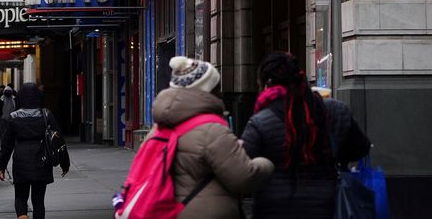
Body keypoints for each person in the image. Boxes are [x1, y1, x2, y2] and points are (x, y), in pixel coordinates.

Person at [241, 53, 371, 219]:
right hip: (326, 206)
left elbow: (243, 170)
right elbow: (360, 148)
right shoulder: (334, 111)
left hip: (274, 209)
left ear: (267, 84)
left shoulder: (260, 122)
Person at [150, 56, 274, 219]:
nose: (220, 91)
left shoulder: (159, 129)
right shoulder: (211, 131)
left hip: (170, 211)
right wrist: (265, 163)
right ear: (207, 89)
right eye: (217, 85)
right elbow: (243, 177)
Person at [0, 83, 70, 219]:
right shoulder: (46, 114)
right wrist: (64, 163)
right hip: (42, 159)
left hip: (21, 159)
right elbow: (58, 140)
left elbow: (6, 145)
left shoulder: (13, 117)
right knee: (38, 200)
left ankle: (22, 216)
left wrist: (1, 166)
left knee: (20, 196)